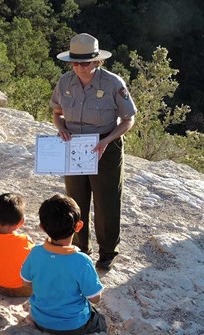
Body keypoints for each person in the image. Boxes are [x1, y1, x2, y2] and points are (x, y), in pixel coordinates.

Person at [50, 33, 138, 270]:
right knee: (75, 200)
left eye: (85, 62)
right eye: (75, 62)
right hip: (74, 145)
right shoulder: (64, 82)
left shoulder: (113, 83)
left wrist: (108, 139)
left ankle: (108, 251)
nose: (79, 68)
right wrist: (61, 129)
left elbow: (128, 119)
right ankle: (80, 247)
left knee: (106, 201)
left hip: (104, 147)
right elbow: (57, 112)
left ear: (97, 61)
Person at [20, 194, 106, 335]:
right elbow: (94, 298)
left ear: (41, 227)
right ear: (78, 226)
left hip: (40, 319)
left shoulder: (35, 252)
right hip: (73, 326)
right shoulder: (82, 261)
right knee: (100, 320)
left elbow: (26, 282)